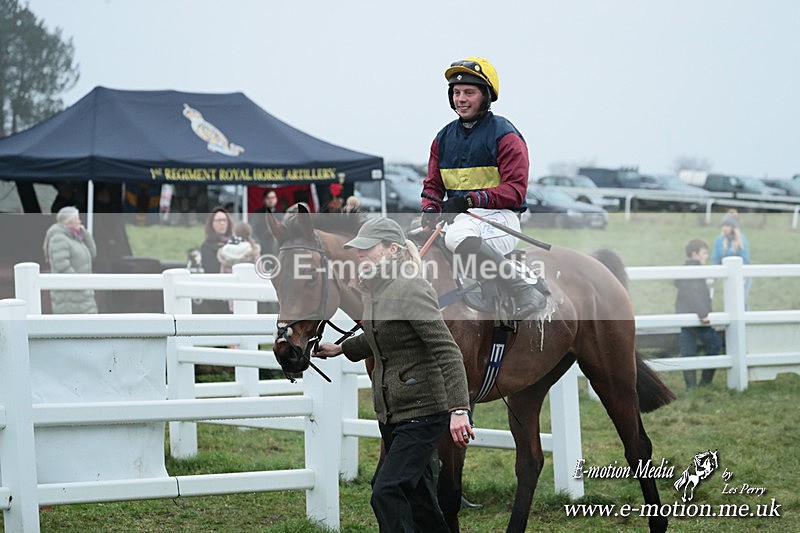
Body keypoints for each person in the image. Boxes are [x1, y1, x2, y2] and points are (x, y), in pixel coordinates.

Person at [313, 217, 473, 533]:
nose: (359, 255)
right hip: (393, 412)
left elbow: (447, 351)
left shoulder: (411, 288)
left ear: (391, 249)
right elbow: (381, 333)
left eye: (366, 249)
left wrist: (459, 410)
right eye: (357, 250)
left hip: (424, 412)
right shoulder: (375, 288)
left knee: (386, 492)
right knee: (421, 503)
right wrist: (341, 349)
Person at [421, 56, 546, 318]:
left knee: (457, 238)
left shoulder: (506, 135)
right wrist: (430, 209)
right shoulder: (442, 138)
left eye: (469, 92)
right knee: (410, 241)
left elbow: (515, 191)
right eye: (456, 93)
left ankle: (524, 289)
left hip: (500, 219)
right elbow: (433, 185)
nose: (461, 99)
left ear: (486, 96)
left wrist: (468, 201)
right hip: (460, 220)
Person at [675, 238, 722, 389]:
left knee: (688, 349)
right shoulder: (694, 269)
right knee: (714, 344)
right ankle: (705, 383)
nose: (706, 256)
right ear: (695, 254)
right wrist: (703, 314)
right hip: (698, 317)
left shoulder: (685, 269)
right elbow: (693, 292)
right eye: (704, 253)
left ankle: (691, 386)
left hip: (684, 314)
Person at [42, 206, 98, 314]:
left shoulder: (75, 238)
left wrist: (85, 235)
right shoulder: (58, 239)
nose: (80, 221)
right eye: (77, 218)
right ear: (70, 221)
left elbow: (92, 253)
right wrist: (80, 284)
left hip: (82, 295)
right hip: (70, 297)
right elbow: (62, 267)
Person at [711, 209, 751, 307]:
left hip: (741, 275)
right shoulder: (719, 240)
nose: (725, 228)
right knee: (730, 300)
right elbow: (716, 258)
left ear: (733, 228)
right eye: (724, 226)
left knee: (741, 300)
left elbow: (745, 259)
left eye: (728, 226)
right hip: (727, 275)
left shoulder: (741, 240)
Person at [199, 207, 233, 313]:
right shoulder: (207, 246)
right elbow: (211, 269)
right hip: (216, 296)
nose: (222, 223)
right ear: (212, 224)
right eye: (218, 220)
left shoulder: (235, 242)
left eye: (224, 220)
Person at [250, 188, 281, 257]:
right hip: (262, 249)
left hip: (278, 250)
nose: (270, 200)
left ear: (276, 199)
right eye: (268, 198)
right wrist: (258, 243)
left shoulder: (280, 214)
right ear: (264, 200)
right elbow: (251, 231)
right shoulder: (257, 214)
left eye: (273, 198)